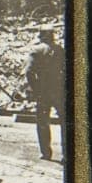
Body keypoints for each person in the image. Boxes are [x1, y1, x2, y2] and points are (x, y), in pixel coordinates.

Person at [24, 27, 66, 161]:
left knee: (42, 122)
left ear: (41, 36)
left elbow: (29, 72)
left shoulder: (36, 50)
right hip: (59, 91)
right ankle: (66, 154)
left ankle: (46, 153)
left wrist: (36, 89)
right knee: (65, 122)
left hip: (43, 91)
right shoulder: (60, 50)